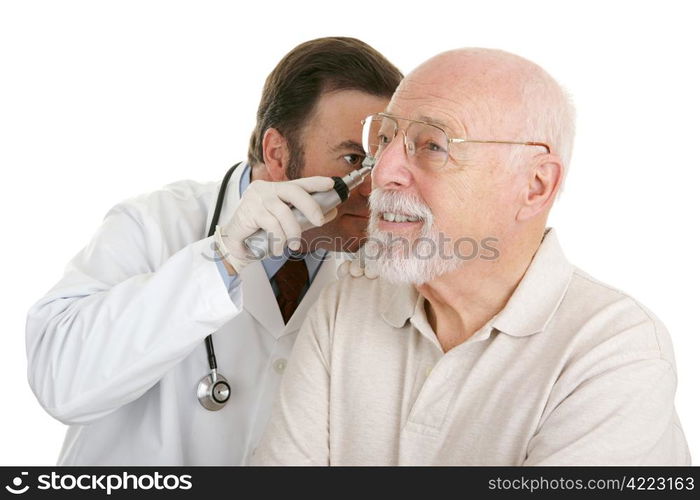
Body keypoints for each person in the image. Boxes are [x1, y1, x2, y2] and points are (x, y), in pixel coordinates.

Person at [253, 48, 691, 465]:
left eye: (433, 146)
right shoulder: (346, 305)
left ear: (535, 186)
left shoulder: (615, 352)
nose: (382, 174)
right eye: (384, 140)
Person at [25, 37, 402, 465]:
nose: (375, 190)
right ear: (277, 152)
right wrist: (222, 260)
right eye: (354, 160)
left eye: (385, 162)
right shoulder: (157, 223)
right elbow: (61, 382)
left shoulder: (382, 270)